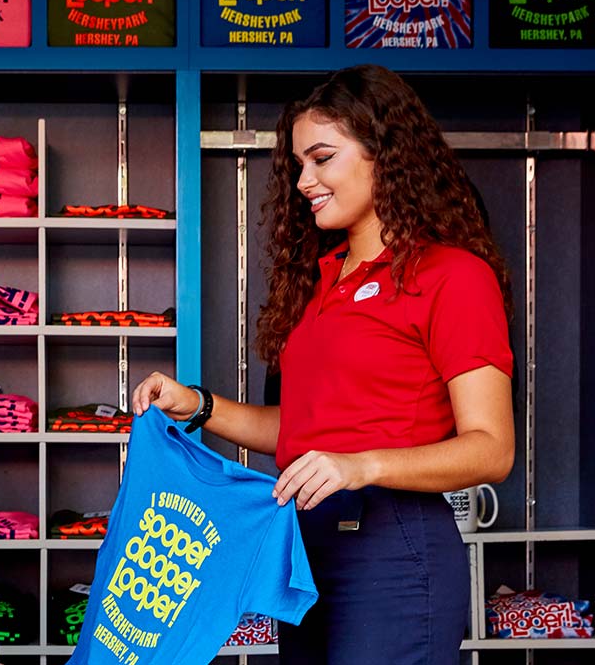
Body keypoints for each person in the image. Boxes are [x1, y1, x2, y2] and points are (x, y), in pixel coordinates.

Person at [132, 64, 515, 665]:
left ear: (383, 155)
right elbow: (301, 435)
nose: (304, 180)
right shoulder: (320, 281)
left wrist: (358, 466)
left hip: (396, 549)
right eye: (298, 165)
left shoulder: (453, 277)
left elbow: (491, 449)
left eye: (322, 158)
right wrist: (197, 404)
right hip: (306, 548)